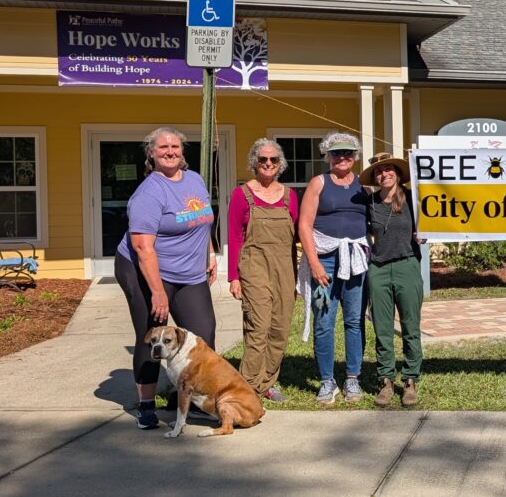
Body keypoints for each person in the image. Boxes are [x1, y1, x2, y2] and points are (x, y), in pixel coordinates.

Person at [114, 126, 217, 430]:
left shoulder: (194, 180)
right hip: (143, 269)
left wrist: (209, 254)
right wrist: (157, 291)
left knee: (202, 334)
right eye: (162, 148)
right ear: (151, 154)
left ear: (182, 151)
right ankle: (146, 406)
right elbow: (142, 246)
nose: (170, 152)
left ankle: (186, 395)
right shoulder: (149, 192)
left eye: (175, 146)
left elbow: (202, 220)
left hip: (187, 270)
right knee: (152, 336)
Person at [296, 131, 370, 405]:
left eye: (348, 153)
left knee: (354, 320)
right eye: (337, 153)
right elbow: (304, 225)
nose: (342, 158)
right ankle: (327, 381)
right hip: (325, 259)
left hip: (356, 261)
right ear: (327, 155)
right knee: (325, 321)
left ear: (354, 157)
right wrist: (314, 263)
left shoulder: (364, 185)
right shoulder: (319, 183)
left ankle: (353, 377)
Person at [227, 138, 299, 403]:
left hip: (284, 267)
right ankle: (246, 387)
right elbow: (234, 236)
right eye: (263, 160)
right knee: (258, 326)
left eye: (273, 160)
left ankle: (267, 381)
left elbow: (296, 236)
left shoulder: (290, 196)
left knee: (280, 327)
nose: (268, 164)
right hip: (254, 265)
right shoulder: (242, 194)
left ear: (280, 164)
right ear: (254, 163)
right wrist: (234, 277)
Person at [360, 152, 424, 408]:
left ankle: (410, 379)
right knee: (382, 328)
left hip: (407, 264)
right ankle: (385, 379)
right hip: (378, 268)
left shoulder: (412, 198)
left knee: (410, 326)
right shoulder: (370, 202)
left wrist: (426, 233)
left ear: (397, 174)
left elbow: (433, 220)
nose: (384, 174)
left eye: (388, 169)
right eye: (378, 171)